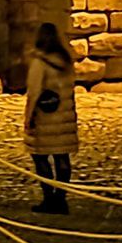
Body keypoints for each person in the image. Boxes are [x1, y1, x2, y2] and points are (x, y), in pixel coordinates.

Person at [22, 21, 78, 214]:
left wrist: (28, 117)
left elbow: (34, 92)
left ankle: (49, 199)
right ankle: (61, 198)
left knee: (40, 156)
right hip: (64, 115)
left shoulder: (39, 63)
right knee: (62, 156)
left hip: (45, 117)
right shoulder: (65, 61)